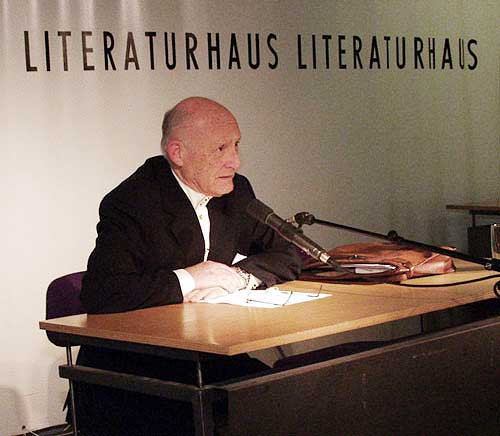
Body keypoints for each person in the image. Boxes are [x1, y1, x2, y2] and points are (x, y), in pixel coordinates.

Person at [72, 96, 301, 435]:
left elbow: (288, 251)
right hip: (135, 371)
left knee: (287, 394)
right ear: (178, 153)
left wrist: (238, 277)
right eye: (221, 148)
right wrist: (191, 278)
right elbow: (103, 292)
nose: (235, 161)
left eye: (236, 145)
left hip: (204, 353)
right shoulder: (133, 202)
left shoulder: (235, 191)